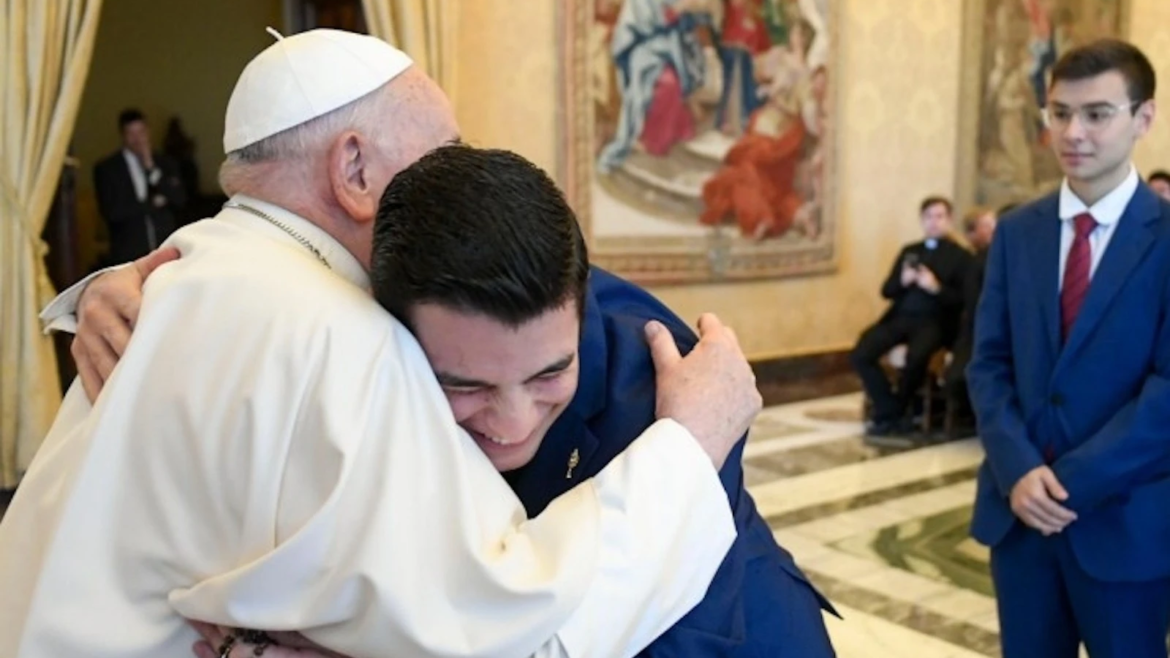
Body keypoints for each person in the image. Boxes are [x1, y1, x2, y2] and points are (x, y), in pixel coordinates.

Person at [0, 30, 762, 658]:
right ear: (355, 168)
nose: (458, 181)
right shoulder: (337, 336)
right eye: (443, 151)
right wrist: (693, 443)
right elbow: (526, 641)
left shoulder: (180, 272)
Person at [88, 145, 838, 658]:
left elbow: (655, 623)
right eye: (464, 385)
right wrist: (120, 288)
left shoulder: (670, 380)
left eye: (550, 374)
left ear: (579, 305)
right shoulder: (361, 326)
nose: (511, 424)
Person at [968, 38, 1170, 657]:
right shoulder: (1016, 232)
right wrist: (1019, 469)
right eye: (1059, 112)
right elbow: (989, 364)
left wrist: (1064, 482)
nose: (1073, 132)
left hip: (1125, 520)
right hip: (1019, 518)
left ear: (1143, 118)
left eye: (1096, 113)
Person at [850, 196, 973, 438]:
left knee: (917, 356)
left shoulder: (961, 257)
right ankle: (891, 409)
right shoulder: (910, 251)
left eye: (940, 217)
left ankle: (895, 412)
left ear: (949, 221)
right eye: (929, 217)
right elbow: (887, 291)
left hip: (935, 321)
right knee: (861, 352)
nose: (934, 222)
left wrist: (935, 287)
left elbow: (962, 300)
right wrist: (902, 281)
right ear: (922, 220)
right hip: (900, 318)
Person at [94, 108, 187, 264]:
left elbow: (179, 199)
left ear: (148, 131)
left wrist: (151, 169)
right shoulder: (107, 169)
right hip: (127, 251)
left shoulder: (165, 163)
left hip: (164, 248)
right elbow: (113, 212)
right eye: (131, 134)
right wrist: (153, 204)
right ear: (122, 135)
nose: (138, 139)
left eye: (141, 132)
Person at [942, 206, 998, 431]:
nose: (992, 230)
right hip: (973, 325)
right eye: (987, 226)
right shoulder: (972, 260)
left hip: (994, 325)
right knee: (959, 376)